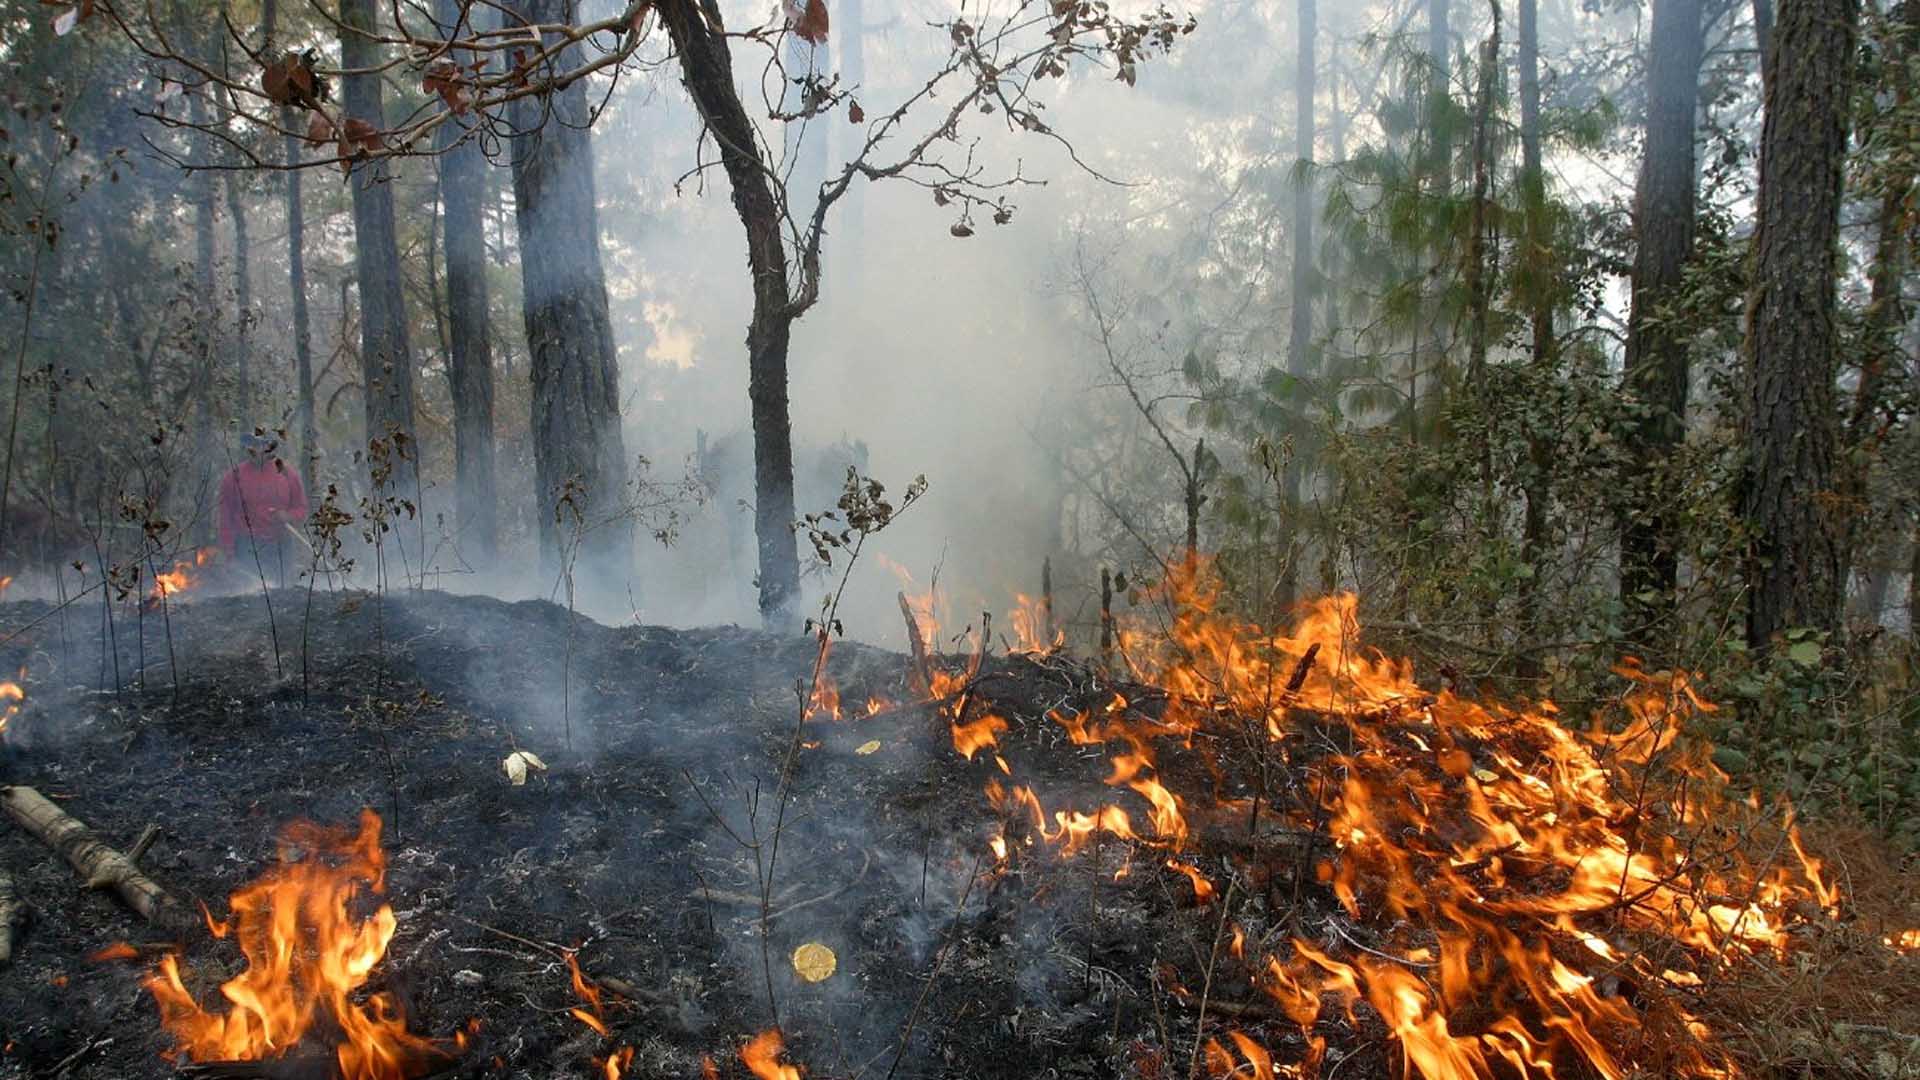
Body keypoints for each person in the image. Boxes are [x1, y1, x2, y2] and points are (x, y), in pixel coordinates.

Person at [218, 432, 309, 587]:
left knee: (283, 594)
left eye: (262, 445)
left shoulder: (288, 474)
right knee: (250, 594)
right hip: (247, 547)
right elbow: (225, 518)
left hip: (280, 546)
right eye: (253, 445)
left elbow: (301, 509)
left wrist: (287, 516)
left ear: (270, 447)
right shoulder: (233, 477)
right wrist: (229, 552)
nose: (257, 450)